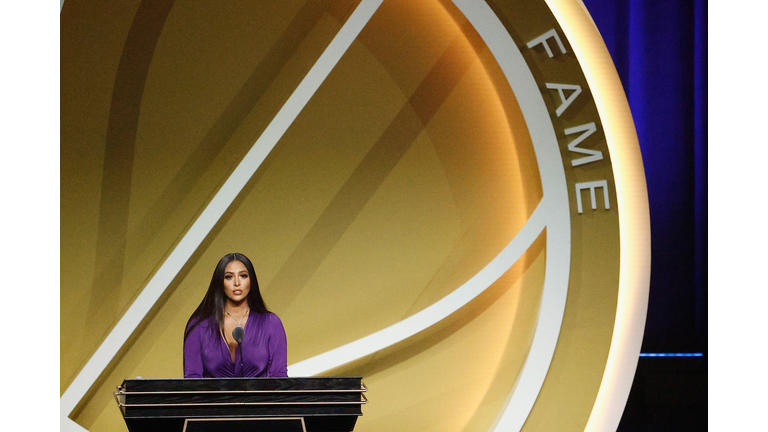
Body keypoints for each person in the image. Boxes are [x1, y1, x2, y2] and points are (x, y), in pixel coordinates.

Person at [183, 253, 288, 378]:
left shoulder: (271, 323)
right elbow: (192, 379)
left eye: (243, 276)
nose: (237, 283)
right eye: (229, 277)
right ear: (219, 282)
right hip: (213, 398)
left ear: (251, 280)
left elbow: (279, 377)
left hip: (258, 398)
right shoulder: (199, 326)